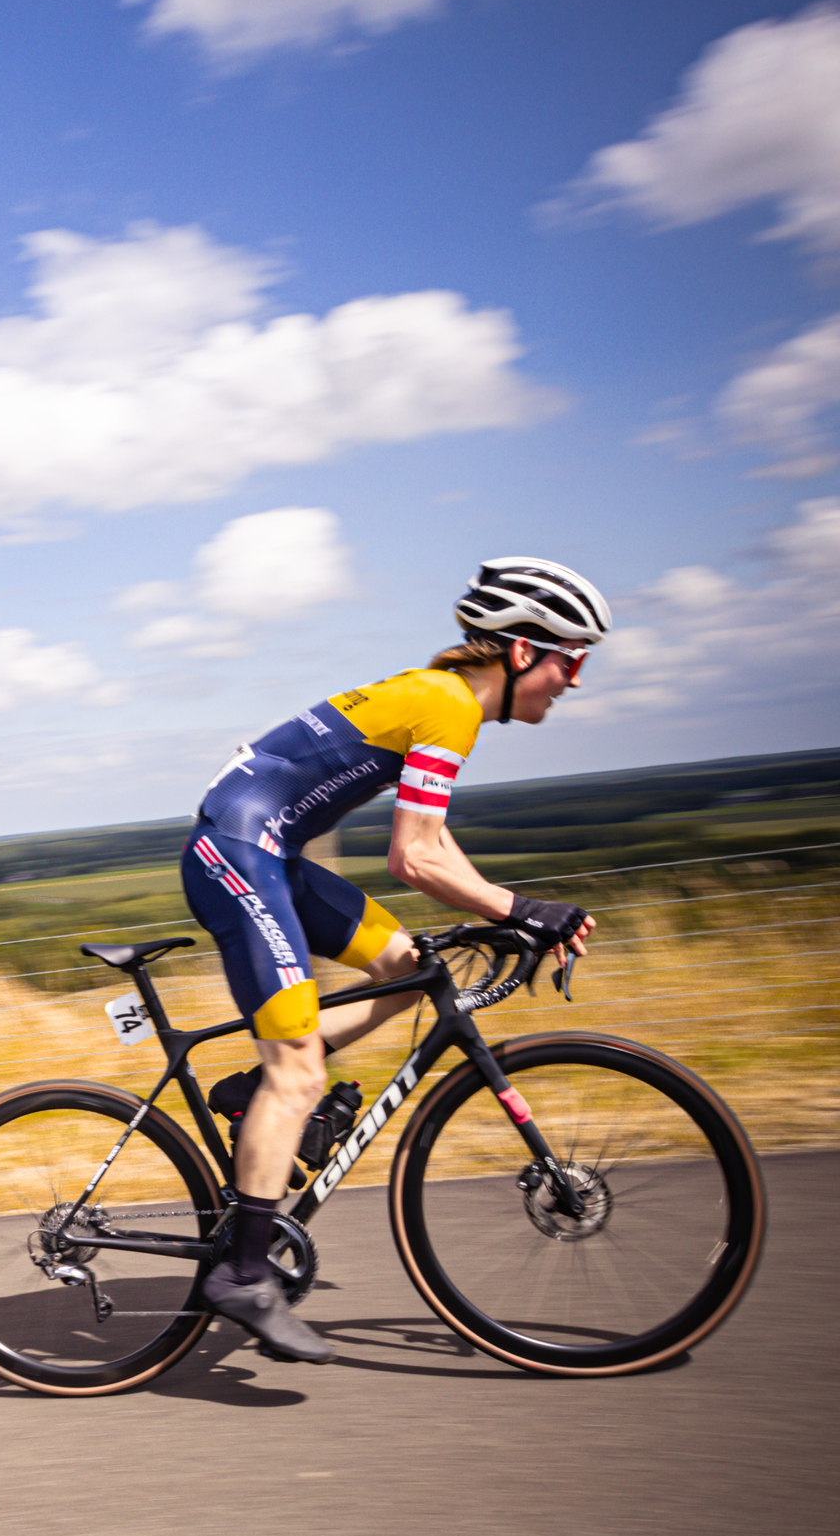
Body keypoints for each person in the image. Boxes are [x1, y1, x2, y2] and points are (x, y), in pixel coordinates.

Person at [180, 555, 608, 1369]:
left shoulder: (445, 702)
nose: (573, 680)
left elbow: (435, 843)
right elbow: (413, 860)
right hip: (238, 853)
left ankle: (248, 1095)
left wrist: (501, 912)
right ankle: (241, 1272)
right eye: (569, 659)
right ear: (520, 651)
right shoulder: (448, 706)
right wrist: (520, 910)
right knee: (299, 1074)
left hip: (264, 850)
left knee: (409, 962)